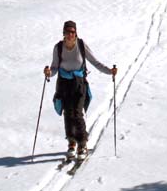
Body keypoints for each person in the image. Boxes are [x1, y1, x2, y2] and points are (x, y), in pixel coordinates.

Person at [44, 20, 117, 159]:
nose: (71, 34)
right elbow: (54, 68)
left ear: (76, 32)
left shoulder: (81, 45)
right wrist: (49, 73)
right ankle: (71, 143)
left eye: (73, 32)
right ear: (64, 33)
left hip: (79, 84)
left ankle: (82, 144)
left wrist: (109, 71)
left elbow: (95, 62)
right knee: (67, 113)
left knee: (77, 113)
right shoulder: (58, 48)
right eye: (68, 32)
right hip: (64, 84)